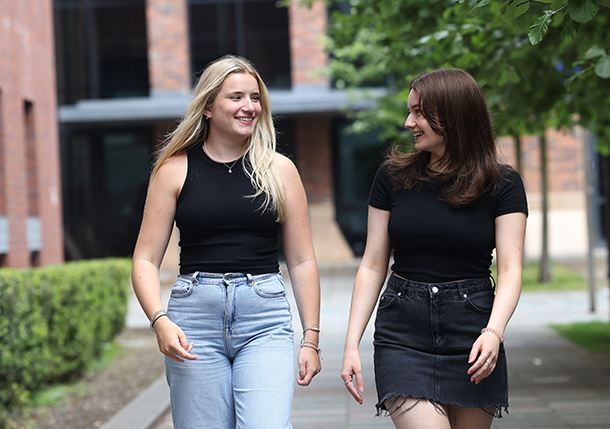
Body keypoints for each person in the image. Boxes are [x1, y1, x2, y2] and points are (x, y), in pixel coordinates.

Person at [131, 55, 321, 429]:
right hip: (193, 320)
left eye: (254, 97)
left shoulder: (280, 170)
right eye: (236, 97)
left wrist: (311, 340)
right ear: (207, 107)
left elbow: (302, 261)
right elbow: (145, 260)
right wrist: (159, 321)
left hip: (264, 317)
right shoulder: (174, 169)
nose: (249, 106)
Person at [340, 68, 528, 429]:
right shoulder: (391, 178)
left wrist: (494, 331)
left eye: (419, 113)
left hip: (473, 330)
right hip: (403, 331)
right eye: (410, 111)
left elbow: (511, 270)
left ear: (455, 116)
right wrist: (352, 344)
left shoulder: (503, 184)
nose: (409, 122)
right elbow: (373, 265)